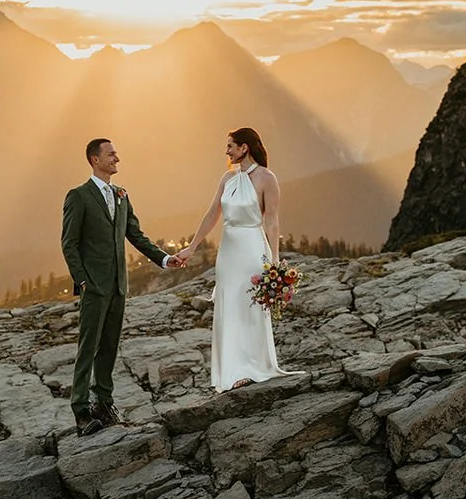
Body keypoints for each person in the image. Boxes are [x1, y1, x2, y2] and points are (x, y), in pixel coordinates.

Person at [61, 138, 182, 436]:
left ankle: (104, 402)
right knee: (87, 347)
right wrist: (83, 280)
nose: (117, 158)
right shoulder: (78, 196)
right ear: (94, 159)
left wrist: (165, 259)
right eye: (111, 154)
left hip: (118, 287)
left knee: (110, 347)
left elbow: (135, 235)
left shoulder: (121, 195)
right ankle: (81, 411)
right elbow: (69, 243)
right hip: (94, 287)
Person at [173, 127, 299, 391]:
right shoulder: (227, 179)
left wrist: (275, 260)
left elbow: (273, 221)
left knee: (250, 305)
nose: (226, 151)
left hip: (253, 246)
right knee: (229, 304)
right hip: (229, 250)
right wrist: (191, 247)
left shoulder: (267, 178)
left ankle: (252, 366)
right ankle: (233, 369)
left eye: (231, 146)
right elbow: (211, 215)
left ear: (245, 148)